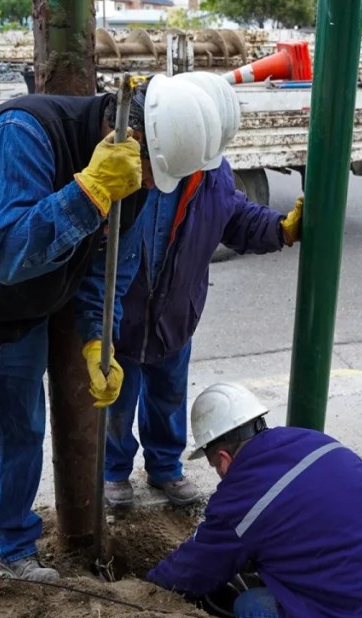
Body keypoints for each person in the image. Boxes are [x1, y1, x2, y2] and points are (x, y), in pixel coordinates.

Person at [0, 77, 224, 618]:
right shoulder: (24, 133)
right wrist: (88, 193)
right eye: (156, 168)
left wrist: (96, 338)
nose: (152, 183)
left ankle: (11, 546)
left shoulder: (129, 178)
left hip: (21, 316)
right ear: (129, 132)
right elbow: (10, 253)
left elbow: (109, 273)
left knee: (21, 434)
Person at [102, 73, 304, 508]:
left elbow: (234, 216)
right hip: (123, 317)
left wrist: (280, 229)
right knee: (117, 401)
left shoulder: (212, 172)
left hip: (175, 315)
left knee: (168, 396)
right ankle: (113, 472)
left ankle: (165, 469)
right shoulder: (134, 164)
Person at [148, 382, 362, 618]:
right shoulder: (315, 441)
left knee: (250, 605)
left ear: (222, 457)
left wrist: (146, 587)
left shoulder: (239, 500)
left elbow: (194, 569)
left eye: (214, 466)